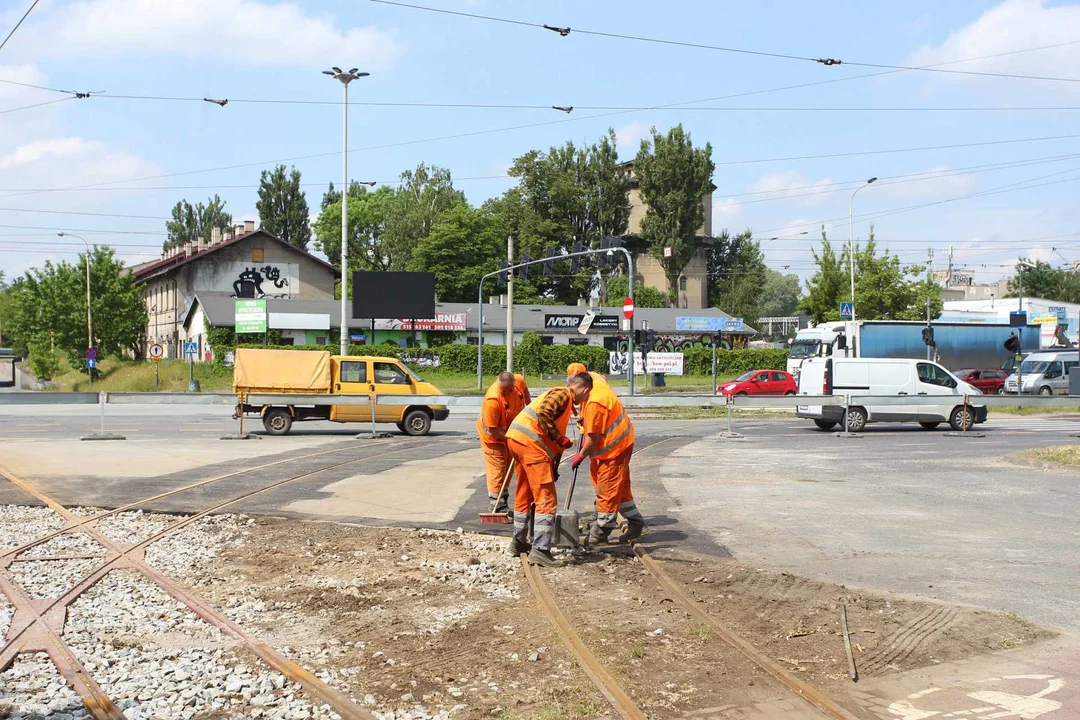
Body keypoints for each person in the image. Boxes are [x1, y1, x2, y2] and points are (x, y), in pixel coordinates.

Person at [505, 374, 592, 567]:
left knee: (524, 493)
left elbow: (549, 432)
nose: (584, 400)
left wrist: (553, 466)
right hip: (530, 445)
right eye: (586, 396)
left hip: (517, 441)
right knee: (547, 498)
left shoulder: (560, 398)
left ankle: (518, 541)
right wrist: (560, 439)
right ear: (584, 390)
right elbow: (545, 414)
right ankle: (541, 550)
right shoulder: (564, 394)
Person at [567, 365, 645, 545]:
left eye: (573, 392)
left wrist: (580, 455)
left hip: (613, 448)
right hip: (621, 440)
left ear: (584, 387)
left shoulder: (595, 404)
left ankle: (600, 532)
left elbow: (592, 440)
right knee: (619, 487)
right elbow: (601, 377)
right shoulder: (593, 379)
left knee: (607, 488)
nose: (572, 396)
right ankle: (635, 522)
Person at [476, 371, 528, 513]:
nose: (510, 392)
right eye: (506, 390)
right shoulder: (493, 400)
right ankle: (497, 505)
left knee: (508, 469)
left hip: (510, 435)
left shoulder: (518, 381)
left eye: (511, 389)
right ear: (500, 387)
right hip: (493, 439)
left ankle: (503, 500)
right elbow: (493, 430)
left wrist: (530, 409)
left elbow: (525, 390)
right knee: (497, 471)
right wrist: (512, 437)